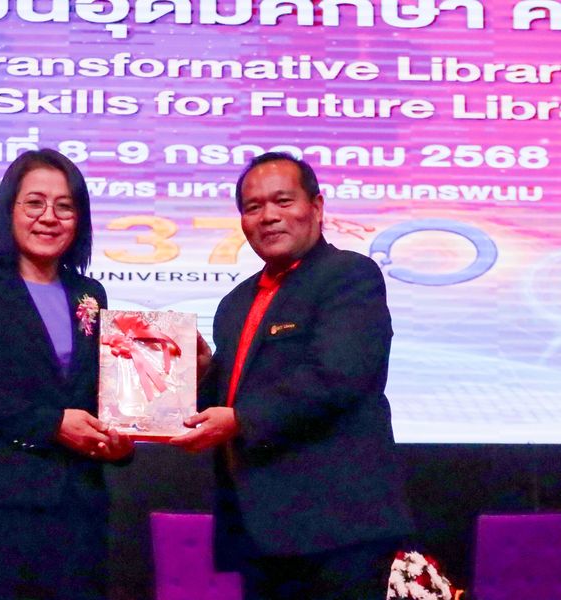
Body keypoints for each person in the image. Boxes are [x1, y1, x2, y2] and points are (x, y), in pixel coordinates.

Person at [171, 151, 415, 600]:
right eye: (253, 206)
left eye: (283, 201)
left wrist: (239, 419)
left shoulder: (348, 276)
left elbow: (339, 377)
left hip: (338, 529)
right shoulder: (235, 302)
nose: (268, 216)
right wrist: (202, 375)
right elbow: (234, 397)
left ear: (316, 207)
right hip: (259, 529)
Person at [0, 148, 133, 600]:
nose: (49, 217)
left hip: (79, 505)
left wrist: (118, 440)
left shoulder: (89, 292)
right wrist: (53, 424)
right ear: (10, 210)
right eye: (35, 203)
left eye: (65, 206)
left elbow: (97, 392)